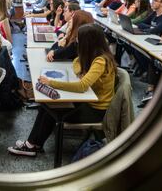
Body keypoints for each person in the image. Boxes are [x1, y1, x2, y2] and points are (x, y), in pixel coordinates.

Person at [8, 24, 116, 156]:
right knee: (47, 105)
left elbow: (82, 86)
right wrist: (82, 73)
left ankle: (32, 145)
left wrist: (51, 83)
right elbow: (77, 62)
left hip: (95, 110)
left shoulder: (100, 61)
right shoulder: (96, 54)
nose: (76, 42)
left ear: (87, 42)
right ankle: (34, 144)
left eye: (79, 39)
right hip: (88, 102)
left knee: (51, 110)